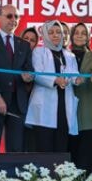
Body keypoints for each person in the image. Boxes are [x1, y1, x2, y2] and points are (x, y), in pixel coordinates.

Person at [0, 4, 34, 153]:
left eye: (16, 16)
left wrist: (28, 77)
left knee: (16, 149)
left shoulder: (24, 45)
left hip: (18, 102)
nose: (13, 20)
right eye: (9, 16)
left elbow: (29, 69)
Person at [26, 20, 81, 152]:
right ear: (45, 35)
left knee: (61, 147)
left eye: (58, 32)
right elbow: (37, 74)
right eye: (51, 32)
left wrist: (78, 80)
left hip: (64, 105)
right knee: (44, 148)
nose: (55, 35)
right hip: (44, 107)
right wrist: (55, 80)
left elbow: (74, 75)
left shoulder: (70, 55)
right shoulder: (39, 52)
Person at [68, 22, 92, 171]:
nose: (79, 36)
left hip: (88, 111)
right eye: (77, 32)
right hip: (68, 110)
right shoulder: (64, 55)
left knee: (88, 155)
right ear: (71, 36)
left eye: (83, 33)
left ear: (89, 37)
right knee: (70, 154)